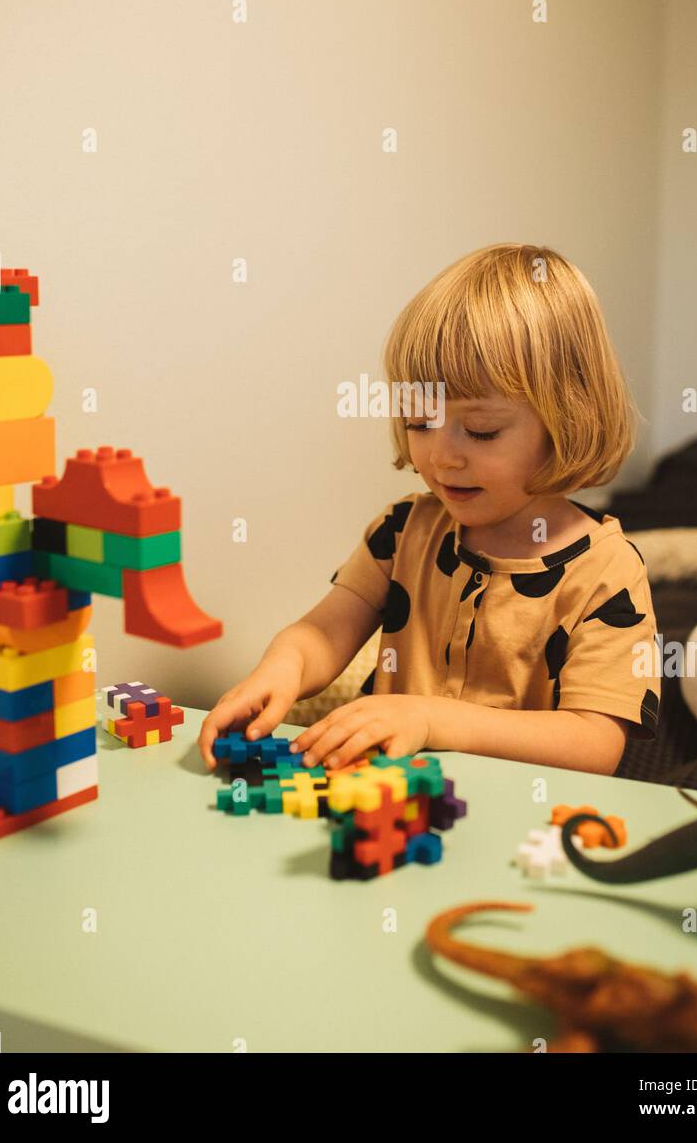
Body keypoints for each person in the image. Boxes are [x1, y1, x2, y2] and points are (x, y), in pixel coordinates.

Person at [199, 243, 660, 776]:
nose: (441, 456)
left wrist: (429, 719)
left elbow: (595, 742)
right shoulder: (403, 532)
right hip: (388, 808)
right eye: (419, 422)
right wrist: (280, 670)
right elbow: (323, 633)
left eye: (482, 431)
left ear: (567, 421)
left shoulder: (607, 571)